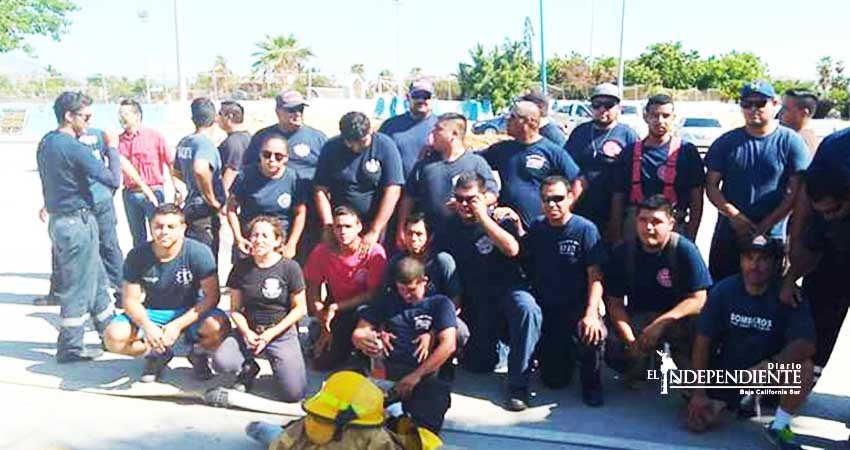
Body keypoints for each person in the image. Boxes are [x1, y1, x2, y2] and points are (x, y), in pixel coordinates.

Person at [687, 236, 815, 450]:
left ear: (777, 264)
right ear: (740, 261)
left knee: (804, 368)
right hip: (727, 373)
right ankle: (725, 401)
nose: (754, 265)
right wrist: (699, 392)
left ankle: (780, 425)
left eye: (763, 259)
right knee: (698, 423)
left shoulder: (788, 295)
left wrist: (773, 363)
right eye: (749, 258)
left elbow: (807, 344)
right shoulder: (724, 290)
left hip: (766, 371)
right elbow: (703, 341)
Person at [437, 172, 541, 412]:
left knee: (527, 308)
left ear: (485, 197)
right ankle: (495, 348)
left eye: (471, 199)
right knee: (479, 365)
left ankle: (518, 386)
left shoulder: (501, 219)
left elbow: (512, 248)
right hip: (477, 299)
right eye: (460, 199)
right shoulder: (449, 226)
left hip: (508, 290)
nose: (465, 205)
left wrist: (483, 217)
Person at [36, 91, 121, 363]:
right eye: (84, 117)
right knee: (78, 287)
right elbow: (111, 178)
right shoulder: (74, 147)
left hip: (61, 220)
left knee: (96, 279)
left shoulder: (47, 142)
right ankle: (70, 347)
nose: (88, 122)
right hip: (78, 223)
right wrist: (113, 148)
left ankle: (110, 333)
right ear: (68, 116)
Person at [103, 204, 229, 382]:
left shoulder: (199, 252)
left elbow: (212, 296)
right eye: (158, 226)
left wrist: (177, 325)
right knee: (113, 338)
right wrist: (147, 326)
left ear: (183, 228)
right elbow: (130, 300)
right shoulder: (137, 255)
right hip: (153, 311)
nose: (164, 232)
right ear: (151, 227)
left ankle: (198, 353)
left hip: (190, 310)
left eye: (171, 227)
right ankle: (155, 353)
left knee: (218, 326)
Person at [704, 81, 809, 281]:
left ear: (774, 103)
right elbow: (711, 185)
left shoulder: (791, 142)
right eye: (747, 103)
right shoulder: (726, 142)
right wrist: (735, 216)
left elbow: (796, 192)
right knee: (722, 291)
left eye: (760, 103)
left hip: (772, 236)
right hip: (730, 234)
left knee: (769, 297)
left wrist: (766, 224)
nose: (753, 109)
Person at [605, 195, 712, 387]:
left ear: (671, 224)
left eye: (656, 221)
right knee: (611, 339)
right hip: (639, 318)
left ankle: (690, 371)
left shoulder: (685, 250)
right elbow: (614, 303)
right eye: (643, 220)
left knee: (702, 327)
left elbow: (699, 299)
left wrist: (661, 323)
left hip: (677, 320)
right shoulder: (623, 252)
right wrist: (630, 340)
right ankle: (638, 365)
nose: (648, 227)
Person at [520, 176, 607, 406]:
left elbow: (595, 276)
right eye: (546, 200)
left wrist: (591, 313)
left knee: (592, 332)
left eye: (558, 199)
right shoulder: (538, 228)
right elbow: (521, 256)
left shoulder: (585, 229)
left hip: (578, 309)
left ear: (570, 198)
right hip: (548, 311)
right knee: (554, 381)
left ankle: (592, 384)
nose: (552, 205)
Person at [354, 257, 458, 433]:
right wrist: (366, 338)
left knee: (421, 429)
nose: (406, 295)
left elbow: (449, 345)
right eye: (401, 289)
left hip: (424, 378)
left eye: (411, 290)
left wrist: (415, 376)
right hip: (387, 377)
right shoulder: (387, 300)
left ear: (424, 281)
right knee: (353, 419)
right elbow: (360, 331)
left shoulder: (440, 304)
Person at [212, 216, 308, 401]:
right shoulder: (241, 268)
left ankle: (280, 365)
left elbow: (299, 309)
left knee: (294, 394)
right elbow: (235, 309)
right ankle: (248, 368)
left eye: (265, 236)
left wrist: (271, 334)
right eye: (255, 235)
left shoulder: (290, 268)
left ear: (277, 241)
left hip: (281, 332)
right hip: (250, 330)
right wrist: (247, 332)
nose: (258, 240)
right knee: (221, 362)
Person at [243, 90, 328, 263]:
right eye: (291, 110)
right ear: (278, 112)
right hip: (270, 215)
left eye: (300, 109)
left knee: (305, 267)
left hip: (307, 214)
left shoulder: (317, 138)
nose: (297, 114)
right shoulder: (262, 137)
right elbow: (248, 172)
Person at [609, 94, 705, 243]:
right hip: (636, 222)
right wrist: (615, 233)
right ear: (646, 117)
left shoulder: (687, 152)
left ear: (674, 118)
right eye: (654, 115)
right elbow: (618, 194)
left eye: (665, 116)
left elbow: (697, 197)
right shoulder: (629, 152)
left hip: (674, 221)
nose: (660, 121)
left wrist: (691, 233)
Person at [781, 167, 850, 373]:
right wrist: (790, 279)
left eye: (833, 210)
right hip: (836, 268)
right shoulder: (825, 220)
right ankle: (795, 385)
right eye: (822, 212)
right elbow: (811, 249)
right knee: (818, 331)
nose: (828, 216)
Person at [303, 206, 387, 370]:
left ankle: (362, 353)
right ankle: (322, 336)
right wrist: (322, 319)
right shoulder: (322, 251)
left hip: (364, 308)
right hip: (337, 307)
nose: (343, 231)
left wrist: (336, 307)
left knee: (363, 363)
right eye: (338, 227)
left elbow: (374, 294)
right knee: (322, 363)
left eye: (348, 226)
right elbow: (313, 288)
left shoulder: (373, 252)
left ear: (359, 227)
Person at [397, 112, 498, 243]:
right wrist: (401, 228)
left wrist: (468, 203)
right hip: (432, 239)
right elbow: (408, 197)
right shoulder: (425, 164)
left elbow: (492, 193)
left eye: (438, 129)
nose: (433, 133)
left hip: (468, 237)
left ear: (454, 134)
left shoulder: (476, 163)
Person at [481, 100, 583, 228]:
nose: (507, 121)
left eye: (512, 117)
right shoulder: (502, 149)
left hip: (540, 229)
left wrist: (563, 209)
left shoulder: (552, 151)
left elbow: (578, 181)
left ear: (531, 121)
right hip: (507, 226)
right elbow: (474, 161)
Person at [314, 111, 403, 246]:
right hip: (341, 224)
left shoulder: (385, 145)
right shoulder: (331, 147)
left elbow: (393, 190)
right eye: (352, 143)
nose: (358, 147)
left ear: (370, 131)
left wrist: (375, 229)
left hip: (374, 221)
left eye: (363, 142)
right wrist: (328, 226)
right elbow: (320, 190)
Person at [565, 83, 640, 240]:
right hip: (581, 207)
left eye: (608, 105)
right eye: (597, 105)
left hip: (615, 209)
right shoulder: (580, 132)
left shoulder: (627, 134)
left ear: (619, 107)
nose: (602, 109)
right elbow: (566, 166)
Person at [226, 135, 306, 260]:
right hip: (250, 239)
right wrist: (238, 238)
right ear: (260, 155)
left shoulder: (293, 179)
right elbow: (231, 209)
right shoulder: (245, 176)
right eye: (267, 154)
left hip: (279, 242)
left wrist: (292, 244)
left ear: (286, 158)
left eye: (278, 156)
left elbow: (300, 214)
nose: (272, 159)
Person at [173, 97, 226, 256]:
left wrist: (192, 184)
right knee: (206, 260)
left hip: (190, 207)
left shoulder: (185, 142)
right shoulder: (204, 143)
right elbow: (200, 169)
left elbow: (176, 172)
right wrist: (211, 198)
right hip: (204, 212)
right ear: (215, 118)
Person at [118, 99, 173, 248]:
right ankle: (141, 269)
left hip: (154, 192)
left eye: (125, 114)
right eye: (120, 114)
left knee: (160, 234)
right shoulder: (118, 141)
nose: (121, 117)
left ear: (138, 116)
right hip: (130, 194)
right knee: (137, 238)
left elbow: (171, 163)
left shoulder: (155, 136)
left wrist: (177, 188)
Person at [378, 78, 439, 177]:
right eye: (416, 96)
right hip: (398, 190)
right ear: (407, 97)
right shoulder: (390, 126)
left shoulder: (441, 127)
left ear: (433, 98)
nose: (421, 100)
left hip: (431, 189)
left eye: (425, 96)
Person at [218, 100, 251, 193]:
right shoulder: (248, 137)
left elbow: (232, 172)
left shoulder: (232, 142)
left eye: (220, 114)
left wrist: (222, 200)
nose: (217, 118)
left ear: (229, 117)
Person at [780, 89, 821, 154]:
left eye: (786, 109)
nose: (781, 112)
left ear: (804, 113)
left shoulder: (802, 142)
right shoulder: (789, 136)